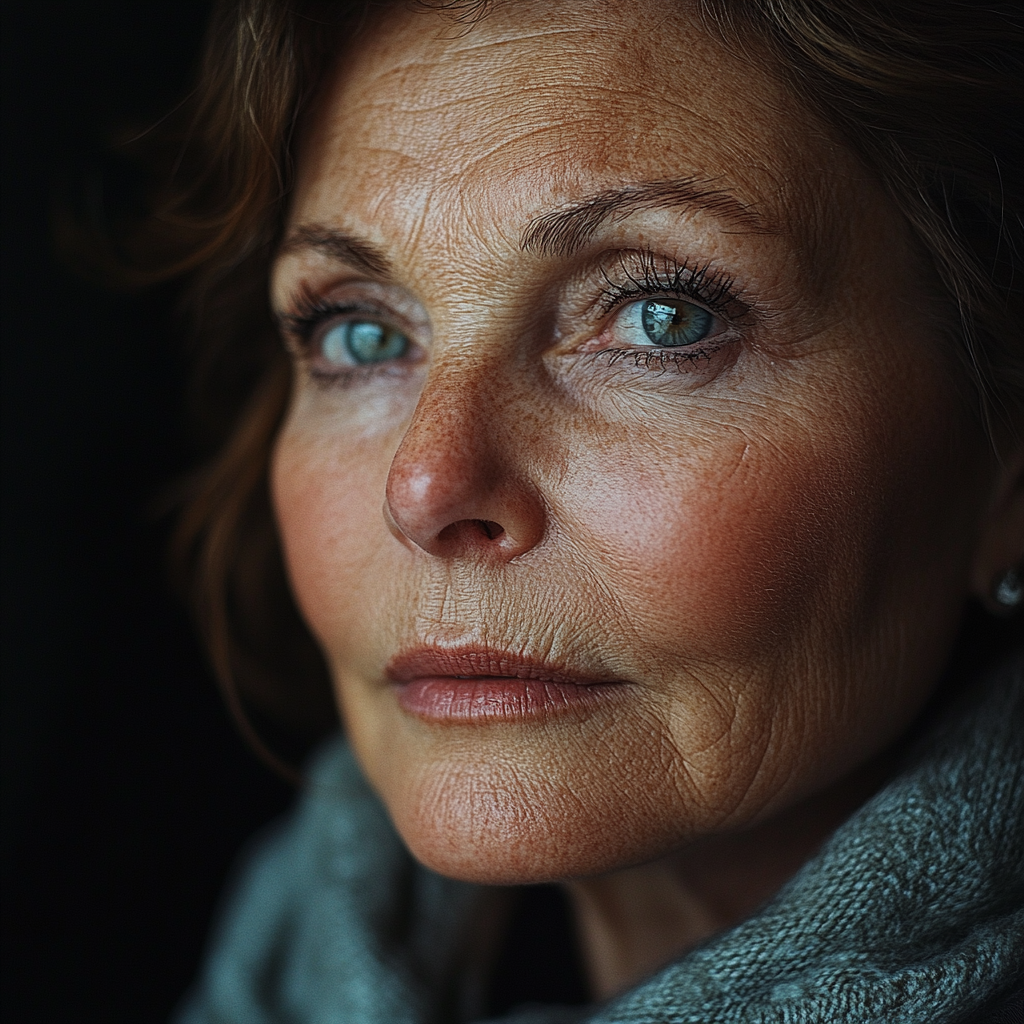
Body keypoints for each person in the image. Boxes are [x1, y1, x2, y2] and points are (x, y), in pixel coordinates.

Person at [114, 0, 1023, 1020]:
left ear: (1004, 466)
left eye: (657, 318)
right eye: (360, 335)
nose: (423, 488)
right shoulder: (285, 958)